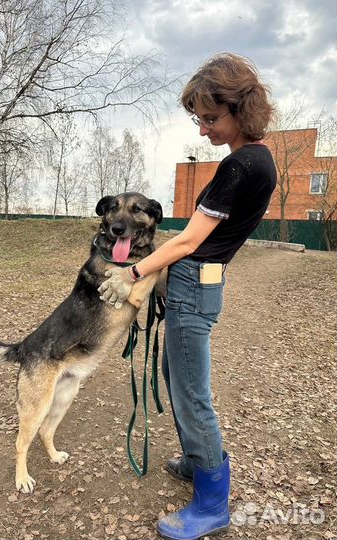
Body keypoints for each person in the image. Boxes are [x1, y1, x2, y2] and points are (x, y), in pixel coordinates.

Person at [98, 52, 277, 540]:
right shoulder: (256, 160)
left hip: (194, 286)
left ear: (243, 108)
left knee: (191, 395)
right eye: (199, 119)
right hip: (200, 283)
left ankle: (213, 501)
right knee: (178, 379)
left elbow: (186, 241)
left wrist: (131, 272)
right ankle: (200, 462)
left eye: (211, 118)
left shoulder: (241, 165)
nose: (203, 130)